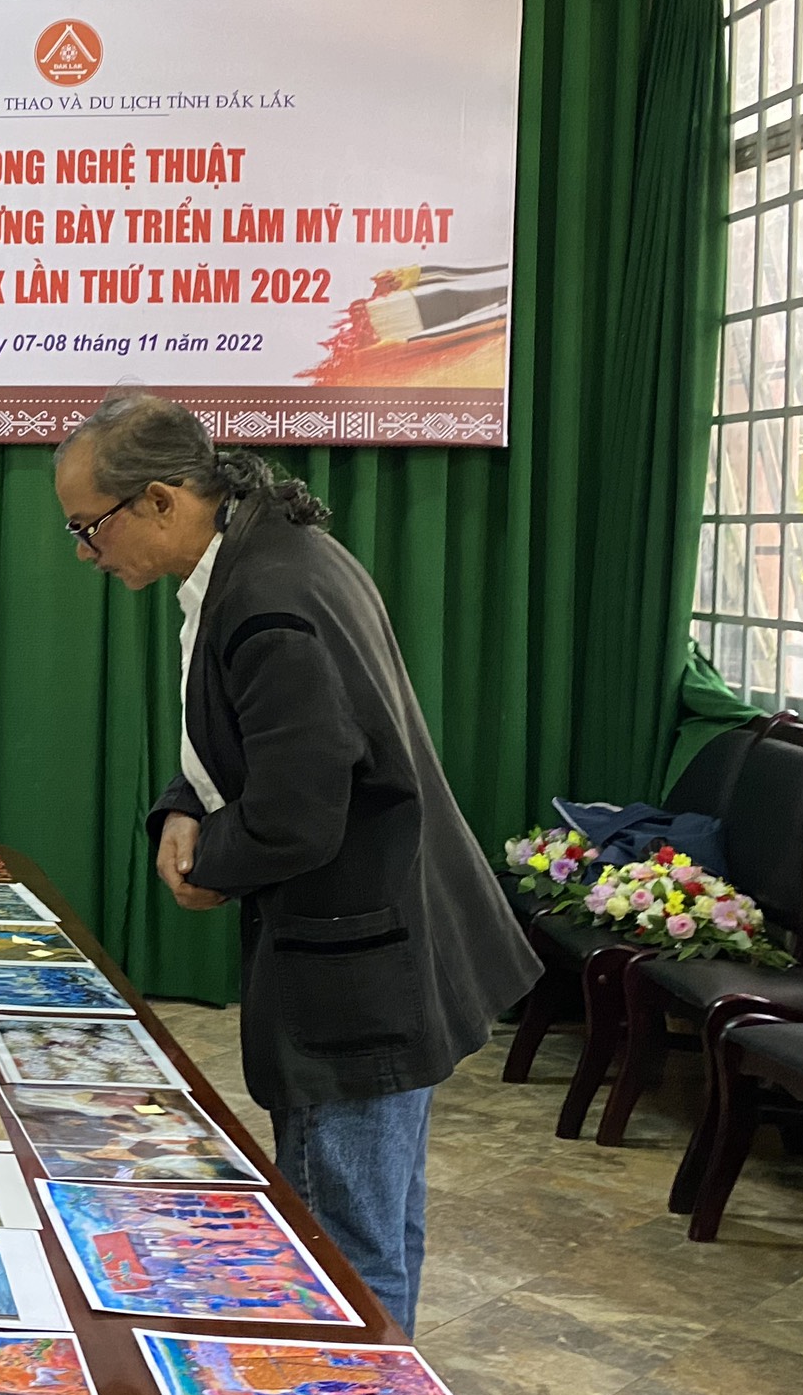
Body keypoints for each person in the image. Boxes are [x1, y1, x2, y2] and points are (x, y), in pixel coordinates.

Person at [55, 389, 539, 1335]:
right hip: (384, 939)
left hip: (359, 967)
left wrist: (207, 863)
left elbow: (296, 817)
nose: (85, 552)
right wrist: (181, 807)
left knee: (342, 1252)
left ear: (160, 500)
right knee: (377, 1229)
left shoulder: (266, 596)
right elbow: (251, 741)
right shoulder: (262, 552)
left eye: (89, 527)